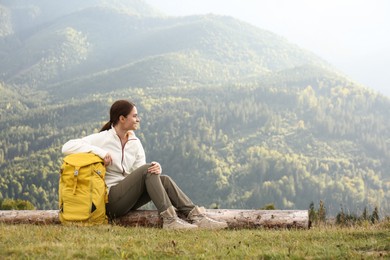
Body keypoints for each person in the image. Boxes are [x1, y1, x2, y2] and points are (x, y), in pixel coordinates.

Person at [62, 99, 228, 230]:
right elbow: (67, 147)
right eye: (134, 116)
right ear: (122, 118)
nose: (138, 119)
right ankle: (170, 220)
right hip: (109, 201)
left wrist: (156, 169)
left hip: (127, 198)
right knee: (148, 170)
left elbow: (141, 174)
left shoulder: (135, 142)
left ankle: (197, 217)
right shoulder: (103, 138)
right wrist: (99, 153)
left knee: (164, 179)